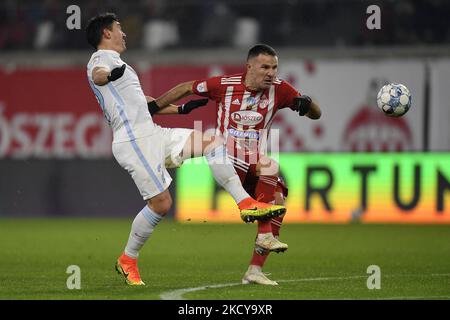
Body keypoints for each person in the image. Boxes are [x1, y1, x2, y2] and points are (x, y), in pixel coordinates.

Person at [85, 14, 287, 286]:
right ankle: (128, 259)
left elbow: (144, 103)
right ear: (106, 34)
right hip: (133, 141)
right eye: (119, 29)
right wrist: (110, 74)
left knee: (212, 142)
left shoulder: (122, 66)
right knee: (161, 204)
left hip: (153, 133)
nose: (125, 33)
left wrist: (180, 110)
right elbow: (99, 76)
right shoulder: (102, 60)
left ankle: (245, 203)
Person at [149, 44, 321, 285]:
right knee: (269, 165)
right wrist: (154, 107)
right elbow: (186, 87)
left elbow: (316, 114)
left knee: (278, 202)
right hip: (227, 159)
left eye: (274, 67)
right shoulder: (224, 85)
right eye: (265, 67)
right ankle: (265, 236)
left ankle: (254, 270)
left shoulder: (281, 90)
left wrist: (308, 104)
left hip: (252, 164)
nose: (271, 73)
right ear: (249, 67)